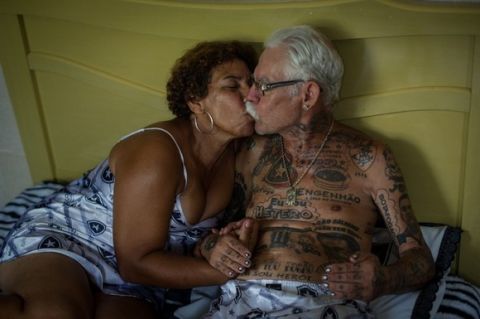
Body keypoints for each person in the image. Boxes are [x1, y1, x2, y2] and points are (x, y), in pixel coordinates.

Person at [0, 40, 258, 318]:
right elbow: (135, 262)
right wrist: (219, 273)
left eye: (253, 84)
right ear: (195, 101)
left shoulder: (241, 154)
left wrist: (214, 244)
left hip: (145, 274)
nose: (251, 95)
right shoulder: (158, 152)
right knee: (55, 314)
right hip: (73, 237)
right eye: (233, 86)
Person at [200, 25, 435, 318]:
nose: (250, 96)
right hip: (243, 301)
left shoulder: (368, 158)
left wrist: (383, 279)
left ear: (308, 95)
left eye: (264, 85)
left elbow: (421, 261)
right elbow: (205, 235)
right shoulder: (250, 152)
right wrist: (213, 248)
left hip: (325, 306)